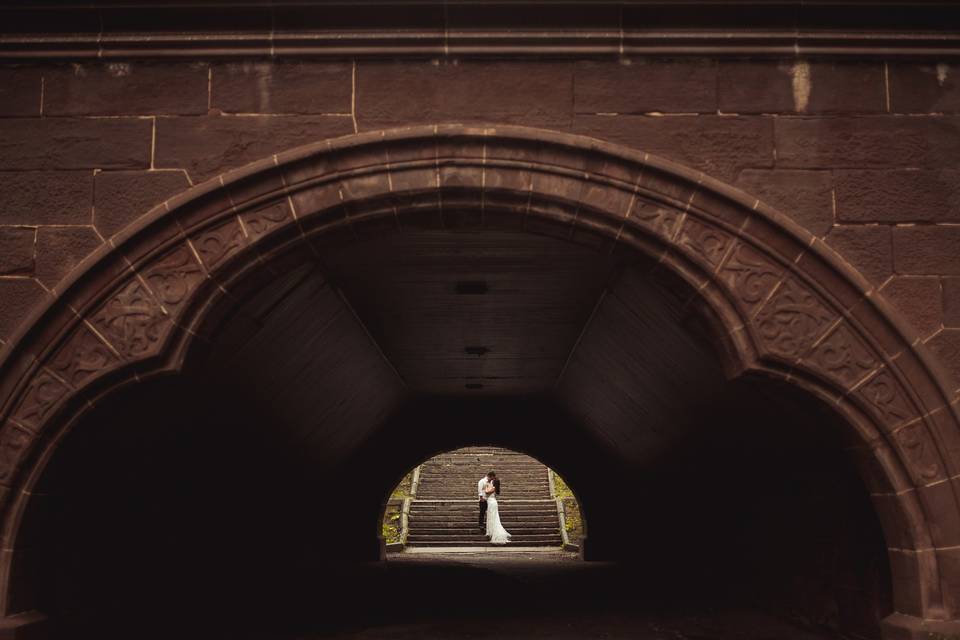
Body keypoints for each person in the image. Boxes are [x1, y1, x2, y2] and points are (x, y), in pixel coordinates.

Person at [483, 472, 511, 544]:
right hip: (491, 502)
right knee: (491, 517)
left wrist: (486, 487)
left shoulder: (493, 486)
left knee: (493, 518)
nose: (489, 480)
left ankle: (495, 532)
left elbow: (487, 492)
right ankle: (490, 531)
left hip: (492, 503)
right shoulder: (492, 485)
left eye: (489, 478)